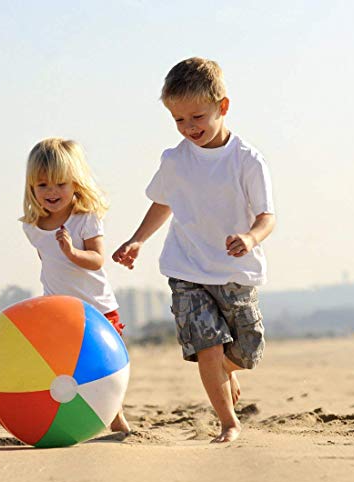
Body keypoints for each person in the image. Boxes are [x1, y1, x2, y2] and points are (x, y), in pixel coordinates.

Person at [112, 57, 275, 443]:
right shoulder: (176, 160)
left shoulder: (247, 161)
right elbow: (163, 202)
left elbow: (267, 217)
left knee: (248, 350)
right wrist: (137, 239)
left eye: (197, 117)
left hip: (235, 272)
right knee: (208, 346)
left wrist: (250, 238)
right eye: (179, 120)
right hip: (186, 269)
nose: (189, 128)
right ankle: (228, 422)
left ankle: (224, 370)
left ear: (223, 106)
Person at [21, 137, 130, 435]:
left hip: (97, 308)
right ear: (31, 187)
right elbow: (47, 262)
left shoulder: (85, 219)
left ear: (75, 184)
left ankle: (116, 415)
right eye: (43, 185)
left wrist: (71, 252)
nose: (52, 192)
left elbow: (96, 259)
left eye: (60, 184)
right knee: (63, 369)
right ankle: (65, 417)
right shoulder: (32, 227)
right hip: (59, 311)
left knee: (104, 367)